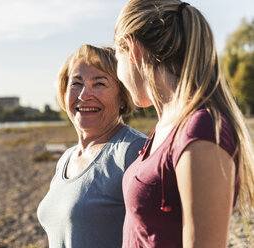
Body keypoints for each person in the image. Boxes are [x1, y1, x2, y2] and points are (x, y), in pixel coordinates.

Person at [113, 0, 254, 247]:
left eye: (116, 57)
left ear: (131, 48)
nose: (118, 74)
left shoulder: (201, 130)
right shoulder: (165, 128)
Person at [37, 44, 146, 247]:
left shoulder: (134, 152)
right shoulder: (66, 159)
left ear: (122, 96)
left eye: (99, 84)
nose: (84, 95)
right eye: (76, 83)